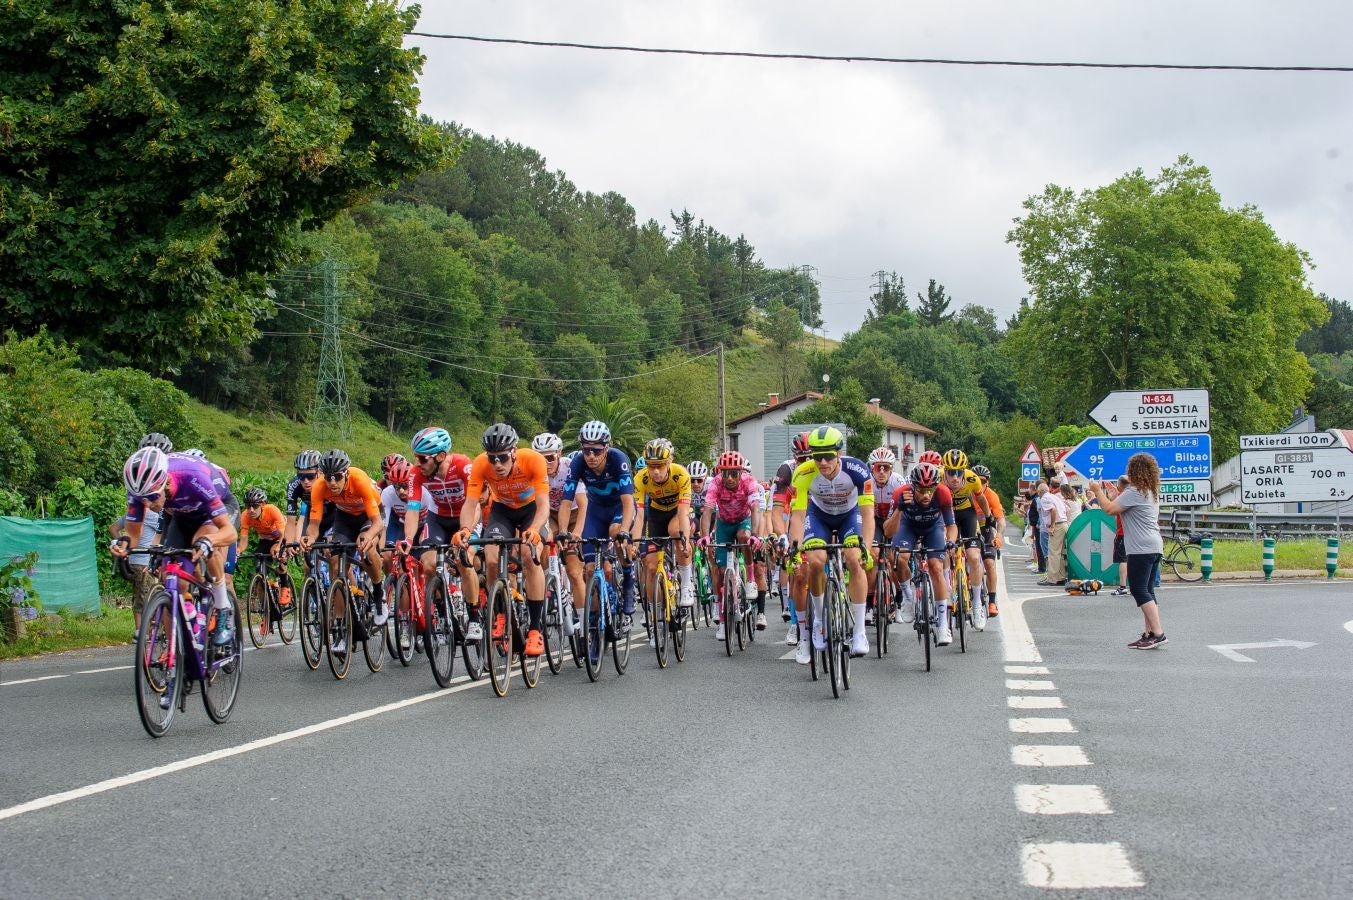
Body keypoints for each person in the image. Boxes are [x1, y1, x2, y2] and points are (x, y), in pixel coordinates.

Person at [112, 447, 239, 649]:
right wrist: (124, 544)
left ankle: (223, 607)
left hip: (216, 506)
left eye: (151, 498)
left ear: (166, 482)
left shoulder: (193, 478)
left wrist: (208, 542)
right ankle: (186, 624)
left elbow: (229, 532)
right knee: (170, 575)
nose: (147, 505)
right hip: (182, 515)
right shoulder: (141, 488)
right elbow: (133, 534)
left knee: (204, 540)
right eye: (141, 500)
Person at [455, 424, 551, 658]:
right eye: (492, 458)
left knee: (530, 557)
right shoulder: (480, 465)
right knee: (490, 557)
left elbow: (543, 505)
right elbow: (470, 503)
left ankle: (535, 629)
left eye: (503, 457)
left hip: (531, 511)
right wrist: (465, 530)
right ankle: (499, 613)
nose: (497, 464)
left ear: (514, 452)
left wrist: (536, 529)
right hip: (503, 510)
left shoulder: (534, 461)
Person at [787, 427, 875, 659]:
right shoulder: (803, 473)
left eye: (828, 456)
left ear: (839, 453)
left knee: (854, 558)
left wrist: (866, 545)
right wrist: (794, 549)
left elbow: (867, 514)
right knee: (815, 561)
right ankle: (818, 621)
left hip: (849, 515)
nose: (823, 462)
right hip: (819, 517)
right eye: (817, 457)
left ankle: (859, 632)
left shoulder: (858, 470)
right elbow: (797, 515)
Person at [1088, 454, 1167, 649]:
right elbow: (1122, 506)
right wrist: (1116, 495)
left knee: (1138, 590)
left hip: (1141, 548)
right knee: (1148, 590)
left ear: (1134, 471)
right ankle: (1149, 633)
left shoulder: (1134, 491)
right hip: (1154, 545)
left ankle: (1158, 633)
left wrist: (1097, 491)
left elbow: (1108, 510)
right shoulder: (1149, 491)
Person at [1036, 482, 1068, 586]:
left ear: (1039, 492)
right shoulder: (1054, 497)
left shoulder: (1044, 499)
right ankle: (1061, 577)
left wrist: (1053, 525)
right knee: (1060, 553)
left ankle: (1052, 578)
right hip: (1063, 523)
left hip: (1057, 525)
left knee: (1053, 552)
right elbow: (1067, 509)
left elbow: (1053, 510)